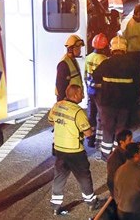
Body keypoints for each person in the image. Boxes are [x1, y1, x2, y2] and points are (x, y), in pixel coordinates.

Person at [49, 84, 101, 215]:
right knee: (84, 177)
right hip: (74, 150)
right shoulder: (78, 112)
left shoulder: (57, 105)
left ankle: (55, 206)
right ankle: (91, 202)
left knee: (59, 177)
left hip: (59, 148)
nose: (83, 96)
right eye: (81, 93)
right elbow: (88, 133)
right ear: (75, 95)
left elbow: (51, 121)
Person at [92, 35, 134, 160]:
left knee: (108, 129)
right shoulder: (131, 65)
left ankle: (106, 155)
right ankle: (118, 153)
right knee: (121, 129)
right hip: (124, 104)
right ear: (125, 49)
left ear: (112, 49)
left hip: (107, 103)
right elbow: (136, 85)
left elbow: (95, 77)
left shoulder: (106, 63)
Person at [113, 143, 140, 220]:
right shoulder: (139, 171)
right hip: (134, 212)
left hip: (121, 210)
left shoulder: (119, 169)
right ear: (136, 155)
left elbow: (115, 191)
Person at [123, 3, 140, 124]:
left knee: (137, 76)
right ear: (138, 13)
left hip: (137, 53)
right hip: (134, 54)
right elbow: (134, 44)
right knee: (135, 77)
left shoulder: (139, 23)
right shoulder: (133, 26)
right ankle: (134, 100)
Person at [85, 33, 110, 148]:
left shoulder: (88, 57)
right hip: (100, 91)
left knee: (91, 113)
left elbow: (85, 74)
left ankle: (90, 138)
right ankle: (99, 139)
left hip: (90, 89)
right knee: (100, 114)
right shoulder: (104, 59)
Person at [56, 34, 85, 102]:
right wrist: (63, 100)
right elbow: (60, 85)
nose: (79, 51)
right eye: (78, 48)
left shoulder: (73, 60)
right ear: (70, 49)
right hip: (66, 100)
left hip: (73, 98)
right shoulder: (63, 64)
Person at [106, 129, 134, 195]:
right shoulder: (115, 159)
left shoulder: (126, 149)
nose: (132, 141)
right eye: (130, 140)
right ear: (121, 142)